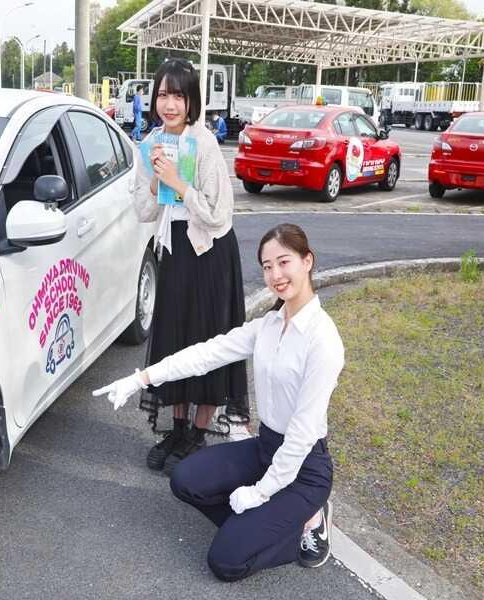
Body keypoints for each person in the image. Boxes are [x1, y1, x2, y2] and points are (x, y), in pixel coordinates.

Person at [94, 223, 344, 581]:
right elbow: (207, 354)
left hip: (305, 469)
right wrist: (142, 377)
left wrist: (260, 493)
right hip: (266, 449)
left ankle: (308, 520)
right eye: (267, 266)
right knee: (185, 478)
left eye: (283, 262)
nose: (275, 274)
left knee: (226, 562)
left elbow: (303, 435)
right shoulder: (268, 326)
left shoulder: (323, 340)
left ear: (307, 261)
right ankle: (256, 528)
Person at [126, 58, 249, 475]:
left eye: (178, 95)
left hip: (210, 254)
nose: (170, 103)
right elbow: (144, 210)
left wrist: (181, 184)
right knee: (176, 339)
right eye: (163, 94)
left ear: (192, 99)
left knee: (208, 340)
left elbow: (218, 214)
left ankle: (197, 434)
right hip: (174, 252)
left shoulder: (206, 143)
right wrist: (158, 181)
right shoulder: (151, 144)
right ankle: (176, 428)